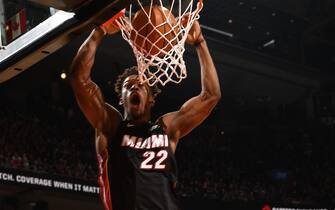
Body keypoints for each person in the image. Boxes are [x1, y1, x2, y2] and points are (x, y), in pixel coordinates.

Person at [69, 15, 221, 210]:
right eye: (128, 86)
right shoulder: (110, 125)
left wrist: (200, 43)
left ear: (151, 98)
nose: (135, 87)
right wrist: (99, 31)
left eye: (141, 85)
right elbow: (78, 78)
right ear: (121, 98)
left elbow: (211, 96)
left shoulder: (166, 129)